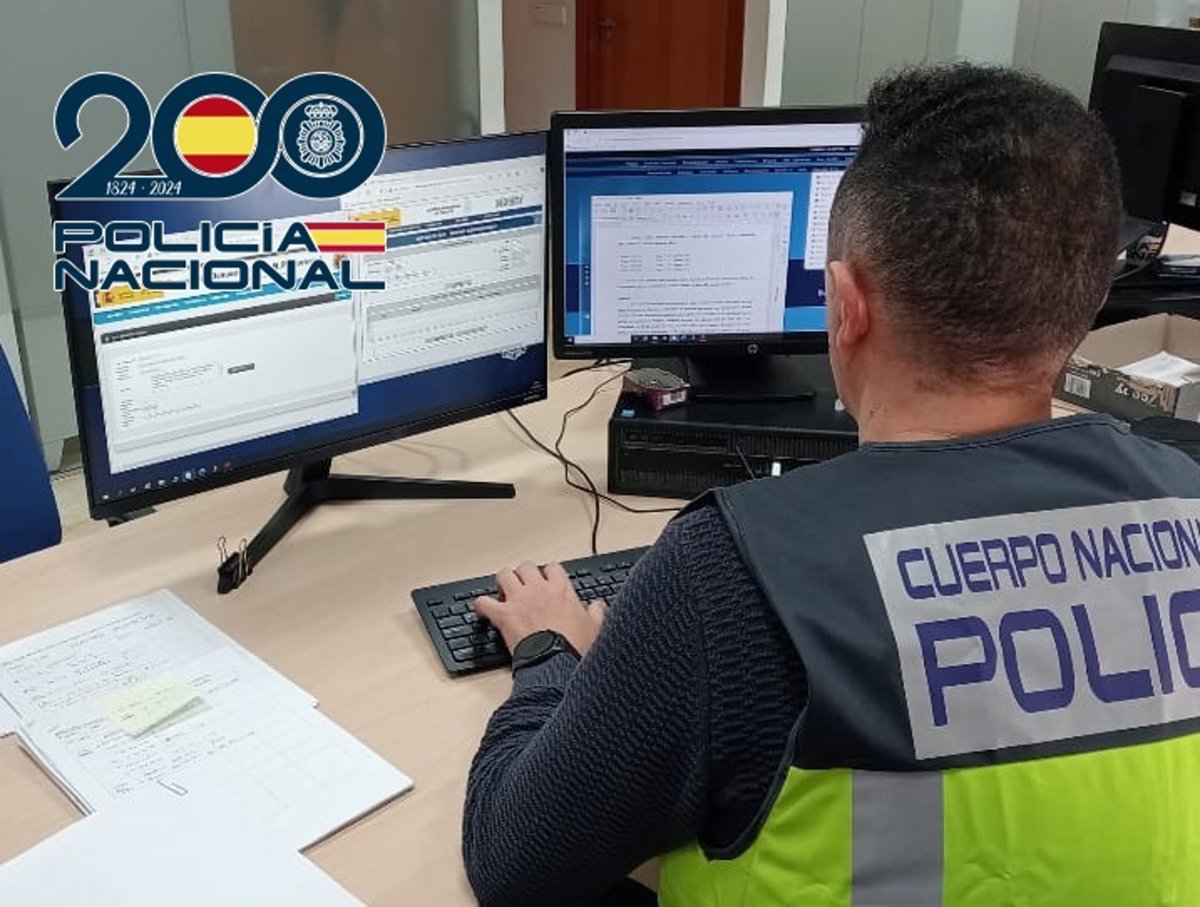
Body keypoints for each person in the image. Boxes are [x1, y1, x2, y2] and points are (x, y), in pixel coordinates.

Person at [463, 63, 1200, 906]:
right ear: (1088, 298)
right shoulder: (1187, 495)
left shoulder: (732, 577)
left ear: (846, 304)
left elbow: (515, 864)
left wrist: (549, 655)